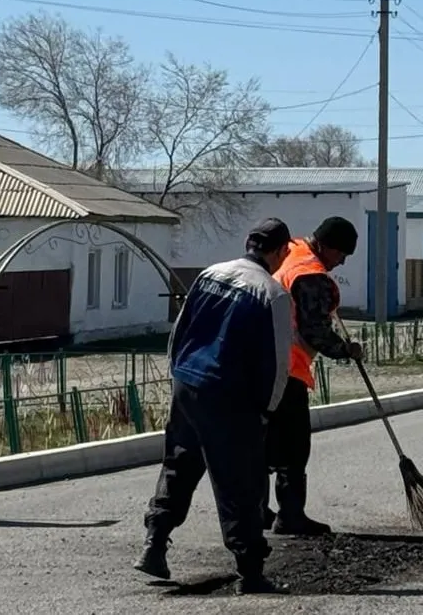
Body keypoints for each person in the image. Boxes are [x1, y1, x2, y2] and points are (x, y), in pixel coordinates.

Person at [134, 218, 295, 595]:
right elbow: (277, 361)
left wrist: (178, 376)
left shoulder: (210, 274)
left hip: (187, 384)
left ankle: (154, 544)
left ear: (247, 242)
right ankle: (251, 573)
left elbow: (180, 331)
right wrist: (266, 410)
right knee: (239, 483)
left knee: (179, 463)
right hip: (229, 397)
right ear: (279, 252)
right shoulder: (272, 294)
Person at [260, 216, 363, 536]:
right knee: (293, 447)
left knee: (262, 445)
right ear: (328, 247)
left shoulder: (292, 253)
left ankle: (256, 512)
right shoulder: (311, 275)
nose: (341, 262)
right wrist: (346, 350)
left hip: (258, 363)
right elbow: (314, 330)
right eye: (342, 255)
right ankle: (291, 516)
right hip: (287, 369)